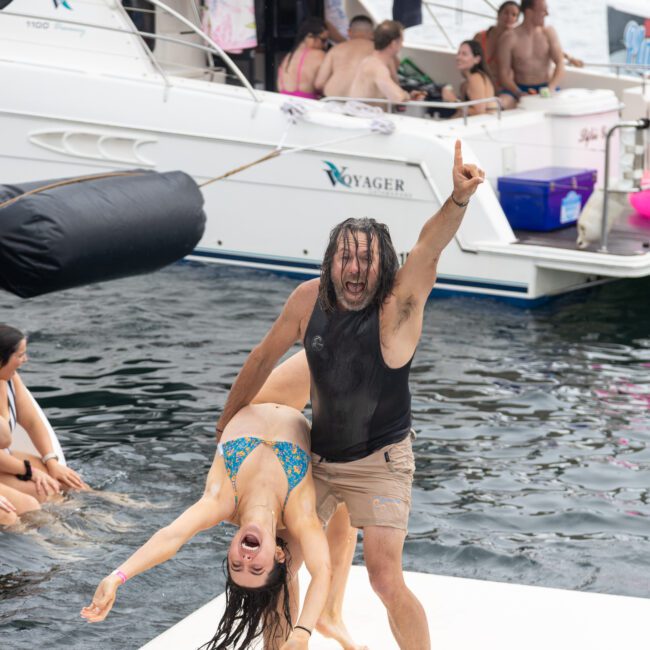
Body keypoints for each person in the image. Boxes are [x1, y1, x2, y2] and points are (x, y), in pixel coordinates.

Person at [214, 140, 485, 650]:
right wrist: (227, 422)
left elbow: (428, 247)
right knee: (280, 562)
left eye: (366, 259)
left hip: (381, 460)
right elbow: (261, 358)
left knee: (384, 578)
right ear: (329, 262)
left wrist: (458, 199)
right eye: (346, 258)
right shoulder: (306, 300)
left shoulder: (397, 307)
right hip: (321, 455)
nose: (356, 269)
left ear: (383, 266)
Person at [82, 397, 336, 650]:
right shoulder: (298, 511)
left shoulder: (221, 501)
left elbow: (171, 536)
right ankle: (315, 622)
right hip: (304, 405)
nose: (246, 561)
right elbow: (322, 570)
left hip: (262, 393)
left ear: (230, 548)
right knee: (340, 500)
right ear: (278, 554)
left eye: (236, 564)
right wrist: (303, 632)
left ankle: (322, 621)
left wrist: (116, 577)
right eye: (256, 569)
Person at [0, 324, 87, 524]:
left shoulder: (10, 378)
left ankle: (112, 513)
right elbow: (4, 439)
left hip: (6, 459)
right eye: (20, 355)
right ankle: (61, 546)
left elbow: (31, 421)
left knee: (70, 483)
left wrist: (51, 461)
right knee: (38, 498)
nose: (25, 360)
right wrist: (29, 471)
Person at [497, 0, 564, 108]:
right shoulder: (509, 37)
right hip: (519, 88)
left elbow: (560, 63)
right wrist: (519, 93)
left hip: (546, 88)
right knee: (500, 104)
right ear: (529, 12)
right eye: (543, 11)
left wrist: (551, 88)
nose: (547, 14)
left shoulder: (549, 33)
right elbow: (503, 74)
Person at [347, 20, 425, 105]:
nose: (402, 45)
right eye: (401, 41)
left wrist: (409, 96)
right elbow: (398, 98)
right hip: (364, 117)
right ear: (393, 44)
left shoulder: (370, 61)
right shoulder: (377, 67)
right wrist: (406, 95)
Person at [315, 15, 375, 98]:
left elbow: (319, 83)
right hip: (365, 102)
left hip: (334, 100)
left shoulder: (335, 49)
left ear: (349, 32)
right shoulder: (379, 51)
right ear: (373, 34)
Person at [441, 40, 497, 117]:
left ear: (476, 59)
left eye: (464, 54)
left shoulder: (476, 78)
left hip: (487, 123)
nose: (458, 57)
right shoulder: (467, 81)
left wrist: (453, 100)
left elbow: (480, 112)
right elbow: (464, 111)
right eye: (458, 53)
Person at [277, 17, 328, 100]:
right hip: (308, 104)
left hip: (284, 102)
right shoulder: (319, 55)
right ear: (309, 36)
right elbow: (323, 85)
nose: (325, 45)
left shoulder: (288, 56)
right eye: (323, 40)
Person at [473, 1, 520, 83]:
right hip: (481, 82)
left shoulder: (515, 43)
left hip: (504, 87)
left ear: (516, 20)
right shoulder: (479, 37)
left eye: (514, 15)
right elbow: (471, 64)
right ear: (498, 14)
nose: (509, 17)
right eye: (506, 13)